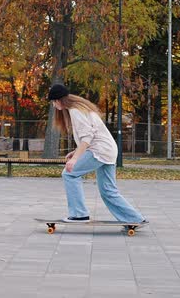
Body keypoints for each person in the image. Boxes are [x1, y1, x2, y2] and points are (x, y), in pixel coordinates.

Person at [48, 84, 147, 224]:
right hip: (108, 150)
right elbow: (92, 134)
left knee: (69, 174)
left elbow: (87, 137)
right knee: (108, 190)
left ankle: (79, 214)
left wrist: (75, 159)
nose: (53, 105)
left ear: (58, 100)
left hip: (99, 150)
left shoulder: (75, 111)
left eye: (53, 102)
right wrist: (76, 152)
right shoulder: (82, 108)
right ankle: (135, 219)